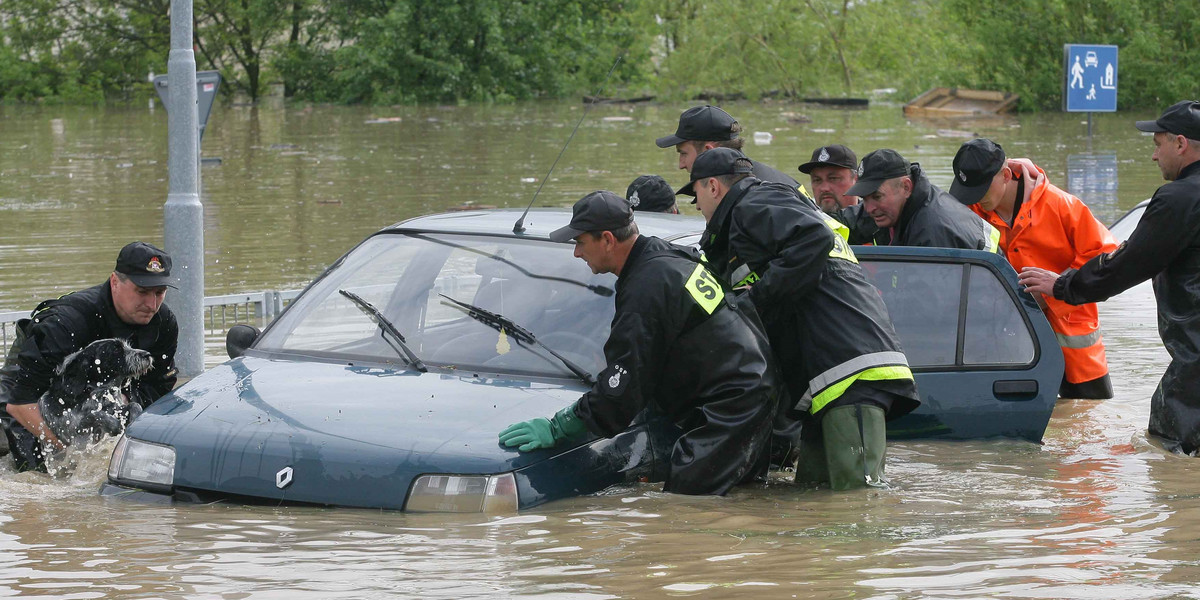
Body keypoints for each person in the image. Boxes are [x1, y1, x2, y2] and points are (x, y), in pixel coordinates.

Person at [498, 191, 782, 495]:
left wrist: (561, 426)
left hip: (731, 407)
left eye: (580, 242)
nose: (576, 254)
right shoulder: (662, 258)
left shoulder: (647, 288)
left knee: (686, 508)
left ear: (607, 239)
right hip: (752, 387)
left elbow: (623, 385)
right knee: (730, 501)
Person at [680, 147, 920, 489]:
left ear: (713, 187)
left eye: (697, 195)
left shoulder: (754, 203)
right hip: (825, 381)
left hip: (850, 370)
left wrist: (754, 300)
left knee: (860, 502)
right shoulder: (751, 221)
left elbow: (814, 239)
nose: (698, 207)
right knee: (815, 498)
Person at [1020, 100, 1200, 453]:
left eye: (1157, 144)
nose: (1153, 156)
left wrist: (1062, 285)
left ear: (1180, 144)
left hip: (1195, 364)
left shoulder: (1180, 198)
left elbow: (1127, 264)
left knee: (1169, 454)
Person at [951, 138, 1118, 399]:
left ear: (1006, 175)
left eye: (980, 189)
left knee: (1089, 417)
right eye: (967, 190)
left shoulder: (1062, 206)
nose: (974, 198)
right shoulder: (967, 210)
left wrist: (1055, 289)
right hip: (1003, 344)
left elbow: (1106, 257)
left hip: (1073, 341)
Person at [0, 241, 179, 471]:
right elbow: (20, 404)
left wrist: (125, 405)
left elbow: (158, 388)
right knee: (34, 472)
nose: (152, 304)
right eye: (142, 292)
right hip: (29, 392)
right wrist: (71, 458)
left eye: (160, 293)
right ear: (115, 282)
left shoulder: (163, 323)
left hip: (93, 393)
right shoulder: (66, 322)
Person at [848, 148, 1001, 252]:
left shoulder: (932, 232)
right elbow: (851, 220)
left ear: (906, 187)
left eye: (876, 196)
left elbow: (928, 297)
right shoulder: (895, 206)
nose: (869, 208)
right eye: (864, 198)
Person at [656, 104, 799, 188]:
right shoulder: (782, 180)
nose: (681, 165)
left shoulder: (744, 196)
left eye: (683, 153)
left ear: (708, 152)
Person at [799, 144, 886, 245]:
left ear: (856, 180)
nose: (824, 188)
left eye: (833, 178)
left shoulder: (879, 218)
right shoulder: (801, 221)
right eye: (817, 180)